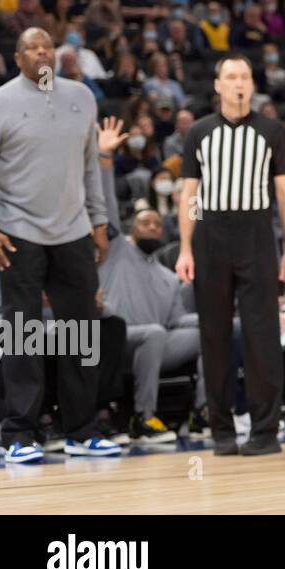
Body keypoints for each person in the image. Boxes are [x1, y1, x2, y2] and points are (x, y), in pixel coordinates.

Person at [0, 28, 119, 462]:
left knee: (81, 334)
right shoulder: (1, 101)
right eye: (33, 47)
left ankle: (81, 431)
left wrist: (99, 221)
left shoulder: (81, 96)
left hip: (73, 230)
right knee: (23, 334)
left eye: (47, 45)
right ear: (18, 58)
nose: (42, 51)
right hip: (17, 231)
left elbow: (90, 163)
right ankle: (19, 433)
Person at [176, 54, 285, 457]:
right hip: (211, 235)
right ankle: (222, 430)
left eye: (245, 76)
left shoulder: (271, 131)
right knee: (213, 334)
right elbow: (189, 195)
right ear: (218, 85)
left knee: (262, 332)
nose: (239, 83)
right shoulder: (198, 132)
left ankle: (265, 431)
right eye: (231, 77)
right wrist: (184, 247)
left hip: (257, 234)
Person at [95, 116, 205, 443]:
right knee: (154, 333)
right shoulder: (117, 250)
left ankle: (203, 412)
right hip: (115, 340)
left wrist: (211, 317)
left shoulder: (168, 277)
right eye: (145, 223)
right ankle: (144, 418)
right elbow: (107, 208)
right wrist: (104, 158)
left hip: (155, 342)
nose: (153, 226)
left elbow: (177, 321)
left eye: (158, 224)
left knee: (212, 331)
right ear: (132, 229)